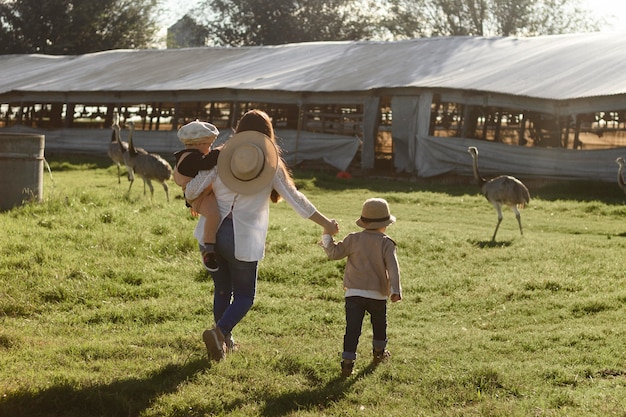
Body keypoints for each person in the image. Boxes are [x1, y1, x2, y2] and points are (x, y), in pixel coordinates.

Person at [185, 109, 339, 361]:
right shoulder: (270, 164)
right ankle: (220, 332)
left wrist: (204, 201)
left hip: (209, 235)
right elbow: (296, 200)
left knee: (222, 290)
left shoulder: (222, 156)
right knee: (245, 295)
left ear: (239, 129)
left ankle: (225, 343)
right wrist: (327, 224)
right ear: (268, 134)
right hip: (242, 238)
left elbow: (191, 191)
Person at [319, 197, 402, 377]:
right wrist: (395, 290)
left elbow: (333, 253)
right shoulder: (387, 243)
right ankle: (379, 353)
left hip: (353, 293)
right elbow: (393, 268)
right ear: (385, 223)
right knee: (379, 325)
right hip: (378, 294)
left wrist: (327, 234)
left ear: (363, 221)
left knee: (352, 328)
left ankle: (347, 362)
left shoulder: (353, 239)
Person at [174, 120, 221, 272]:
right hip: (199, 197)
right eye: (209, 145)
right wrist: (221, 151)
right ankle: (208, 249)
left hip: (197, 196)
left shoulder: (187, 156)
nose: (210, 149)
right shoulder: (191, 158)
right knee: (214, 215)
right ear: (199, 143)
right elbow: (207, 164)